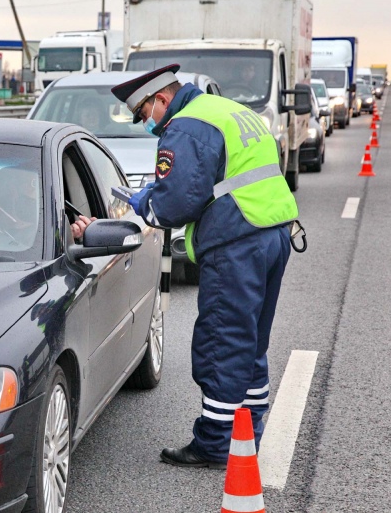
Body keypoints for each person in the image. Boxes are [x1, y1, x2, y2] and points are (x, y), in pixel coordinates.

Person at [111, 64, 298, 468]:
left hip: (237, 243)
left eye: (145, 114)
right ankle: (249, 434)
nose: (148, 124)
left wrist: (144, 202)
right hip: (273, 232)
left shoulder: (187, 127)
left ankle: (214, 444)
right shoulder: (228, 109)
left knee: (220, 342)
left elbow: (176, 204)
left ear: (161, 99)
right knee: (249, 343)